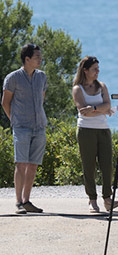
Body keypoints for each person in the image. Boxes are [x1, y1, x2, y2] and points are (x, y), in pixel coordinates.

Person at [1, 44, 47, 214]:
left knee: (33, 165)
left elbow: (41, 99)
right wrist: (15, 120)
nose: (40, 59)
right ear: (27, 59)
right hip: (21, 127)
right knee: (21, 164)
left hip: (39, 126)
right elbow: (5, 102)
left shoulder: (42, 77)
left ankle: (27, 200)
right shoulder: (12, 78)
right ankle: (18, 202)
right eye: (37, 57)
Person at [72, 56, 118, 213]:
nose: (98, 71)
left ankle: (107, 199)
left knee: (107, 165)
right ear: (85, 70)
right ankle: (92, 200)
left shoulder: (102, 86)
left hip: (103, 130)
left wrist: (93, 108)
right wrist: (100, 109)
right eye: (95, 69)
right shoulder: (77, 89)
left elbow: (108, 106)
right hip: (86, 130)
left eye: (98, 68)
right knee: (89, 166)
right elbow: (83, 112)